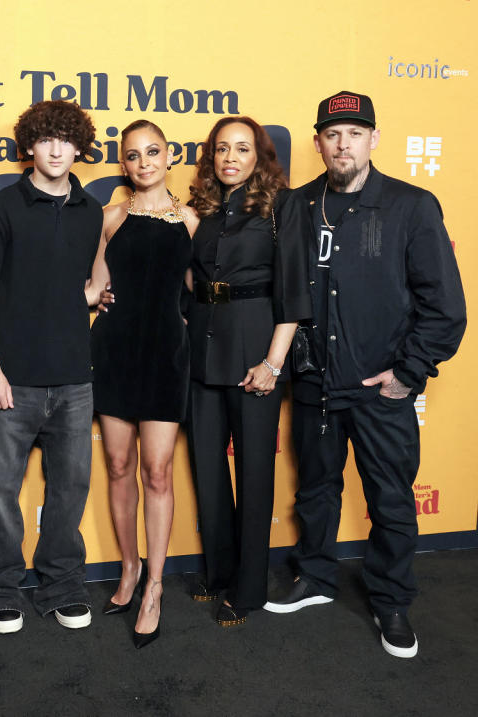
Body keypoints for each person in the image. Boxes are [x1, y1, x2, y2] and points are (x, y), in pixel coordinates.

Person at [264, 91, 466, 659]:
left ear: (373, 140)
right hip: (314, 385)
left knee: (392, 499)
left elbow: (445, 306)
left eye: (355, 133)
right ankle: (315, 577)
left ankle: (392, 600)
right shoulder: (296, 205)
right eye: (332, 134)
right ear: (319, 142)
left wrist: (409, 372)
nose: (343, 143)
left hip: (381, 390)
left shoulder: (411, 205)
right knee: (317, 491)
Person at [0, 100, 103, 635]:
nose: (55, 149)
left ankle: (62, 585)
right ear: (29, 145)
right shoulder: (1, 206)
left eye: (65, 140)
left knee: (69, 492)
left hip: (74, 376)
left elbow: (88, 280)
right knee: (1, 494)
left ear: (78, 147)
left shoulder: (91, 210)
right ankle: (0, 589)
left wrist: (95, 295)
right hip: (13, 378)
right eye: (45, 139)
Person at [183, 116, 311, 628]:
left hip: (257, 345)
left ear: (260, 155)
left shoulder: (284, 206)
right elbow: (189, 277)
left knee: (254, 472)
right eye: (221, 149)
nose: (230, 157)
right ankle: (219, 572)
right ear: (211, 157)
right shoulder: (203, 210)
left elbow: (295, 291)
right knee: (207, 471)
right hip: (202, 342)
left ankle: (249, 587)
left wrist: (273, 362)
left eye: (241, 148)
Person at [86, 120, 199, 648]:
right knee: (117, 466)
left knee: (157, 471)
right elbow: (94, 287)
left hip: (165, 357)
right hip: (113, 351)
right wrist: (95, 297)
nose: (144, 162)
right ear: (124, 163)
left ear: (169, 156)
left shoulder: (193, 222)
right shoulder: (109, 219)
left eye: (153, 152)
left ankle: (154, 585)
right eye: (133, 156)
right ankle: (129, 567)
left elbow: (199, 296)